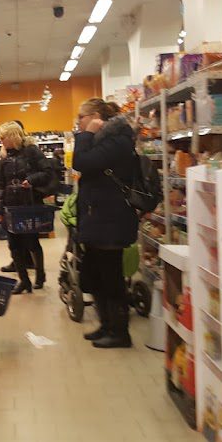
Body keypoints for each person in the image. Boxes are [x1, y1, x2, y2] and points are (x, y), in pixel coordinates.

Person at [72, 98, 139, 348]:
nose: (79, 122)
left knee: (112, 279)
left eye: (81, 117)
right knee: (97, 277)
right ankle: (107, 325)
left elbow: (81, 162)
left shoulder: (117, 140)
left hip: (111, 220)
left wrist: (86, 135)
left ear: (96, 117)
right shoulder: (105, 141)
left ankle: (120, 332)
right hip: (98, 218)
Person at [0, 121, 51, 294]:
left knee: (32, 242)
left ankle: (40, 276)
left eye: (3, 137)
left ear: (12, 136)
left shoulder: (32, 151)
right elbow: (0, 184)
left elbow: (47, 172)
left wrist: (31, 180)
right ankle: (24, 280)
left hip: (29, 203)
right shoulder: (4, 157)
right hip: (11, 206)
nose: (1, 141)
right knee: (13, 245)